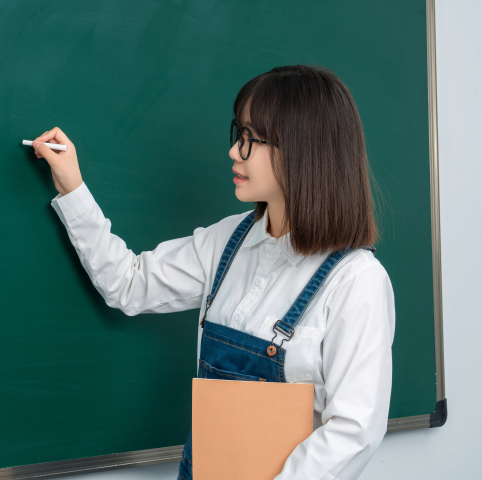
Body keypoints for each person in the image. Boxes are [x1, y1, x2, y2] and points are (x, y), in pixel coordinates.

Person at [30, 65, 395, 480]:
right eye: (238, 135)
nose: (235, 152)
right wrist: (72, 187)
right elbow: (128, 284)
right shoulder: (228, 241)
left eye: (251, 140)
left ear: (303, 150)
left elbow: (354, 432)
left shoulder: (356, 281)